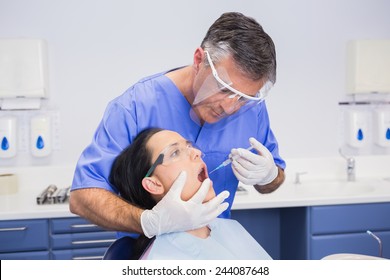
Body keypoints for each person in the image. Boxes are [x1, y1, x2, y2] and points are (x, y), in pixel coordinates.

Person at [70, 12, 286, 239]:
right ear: (198, 60)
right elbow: (82, 198)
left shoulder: (252, 110)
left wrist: (268, 176)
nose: (231, 107)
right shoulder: (135, 107)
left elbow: (273, 182)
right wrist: (151, 222)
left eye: (243, 97)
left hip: (213, 249)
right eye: (224, 89)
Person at [109, 127, 272, 259]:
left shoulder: (221, 229)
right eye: (174, 152)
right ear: (154, 184)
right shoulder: (164, 260)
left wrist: (270, 175)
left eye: (189, 146)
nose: (197, 152)